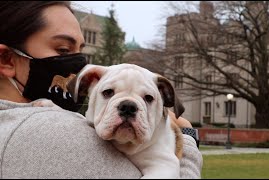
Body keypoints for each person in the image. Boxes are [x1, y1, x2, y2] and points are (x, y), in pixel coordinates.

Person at [0, 1, 203, 179]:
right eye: (63, 50)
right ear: (6, 59)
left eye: (80, 51)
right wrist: (187, 139)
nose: (77, 64)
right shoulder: (56, 136)